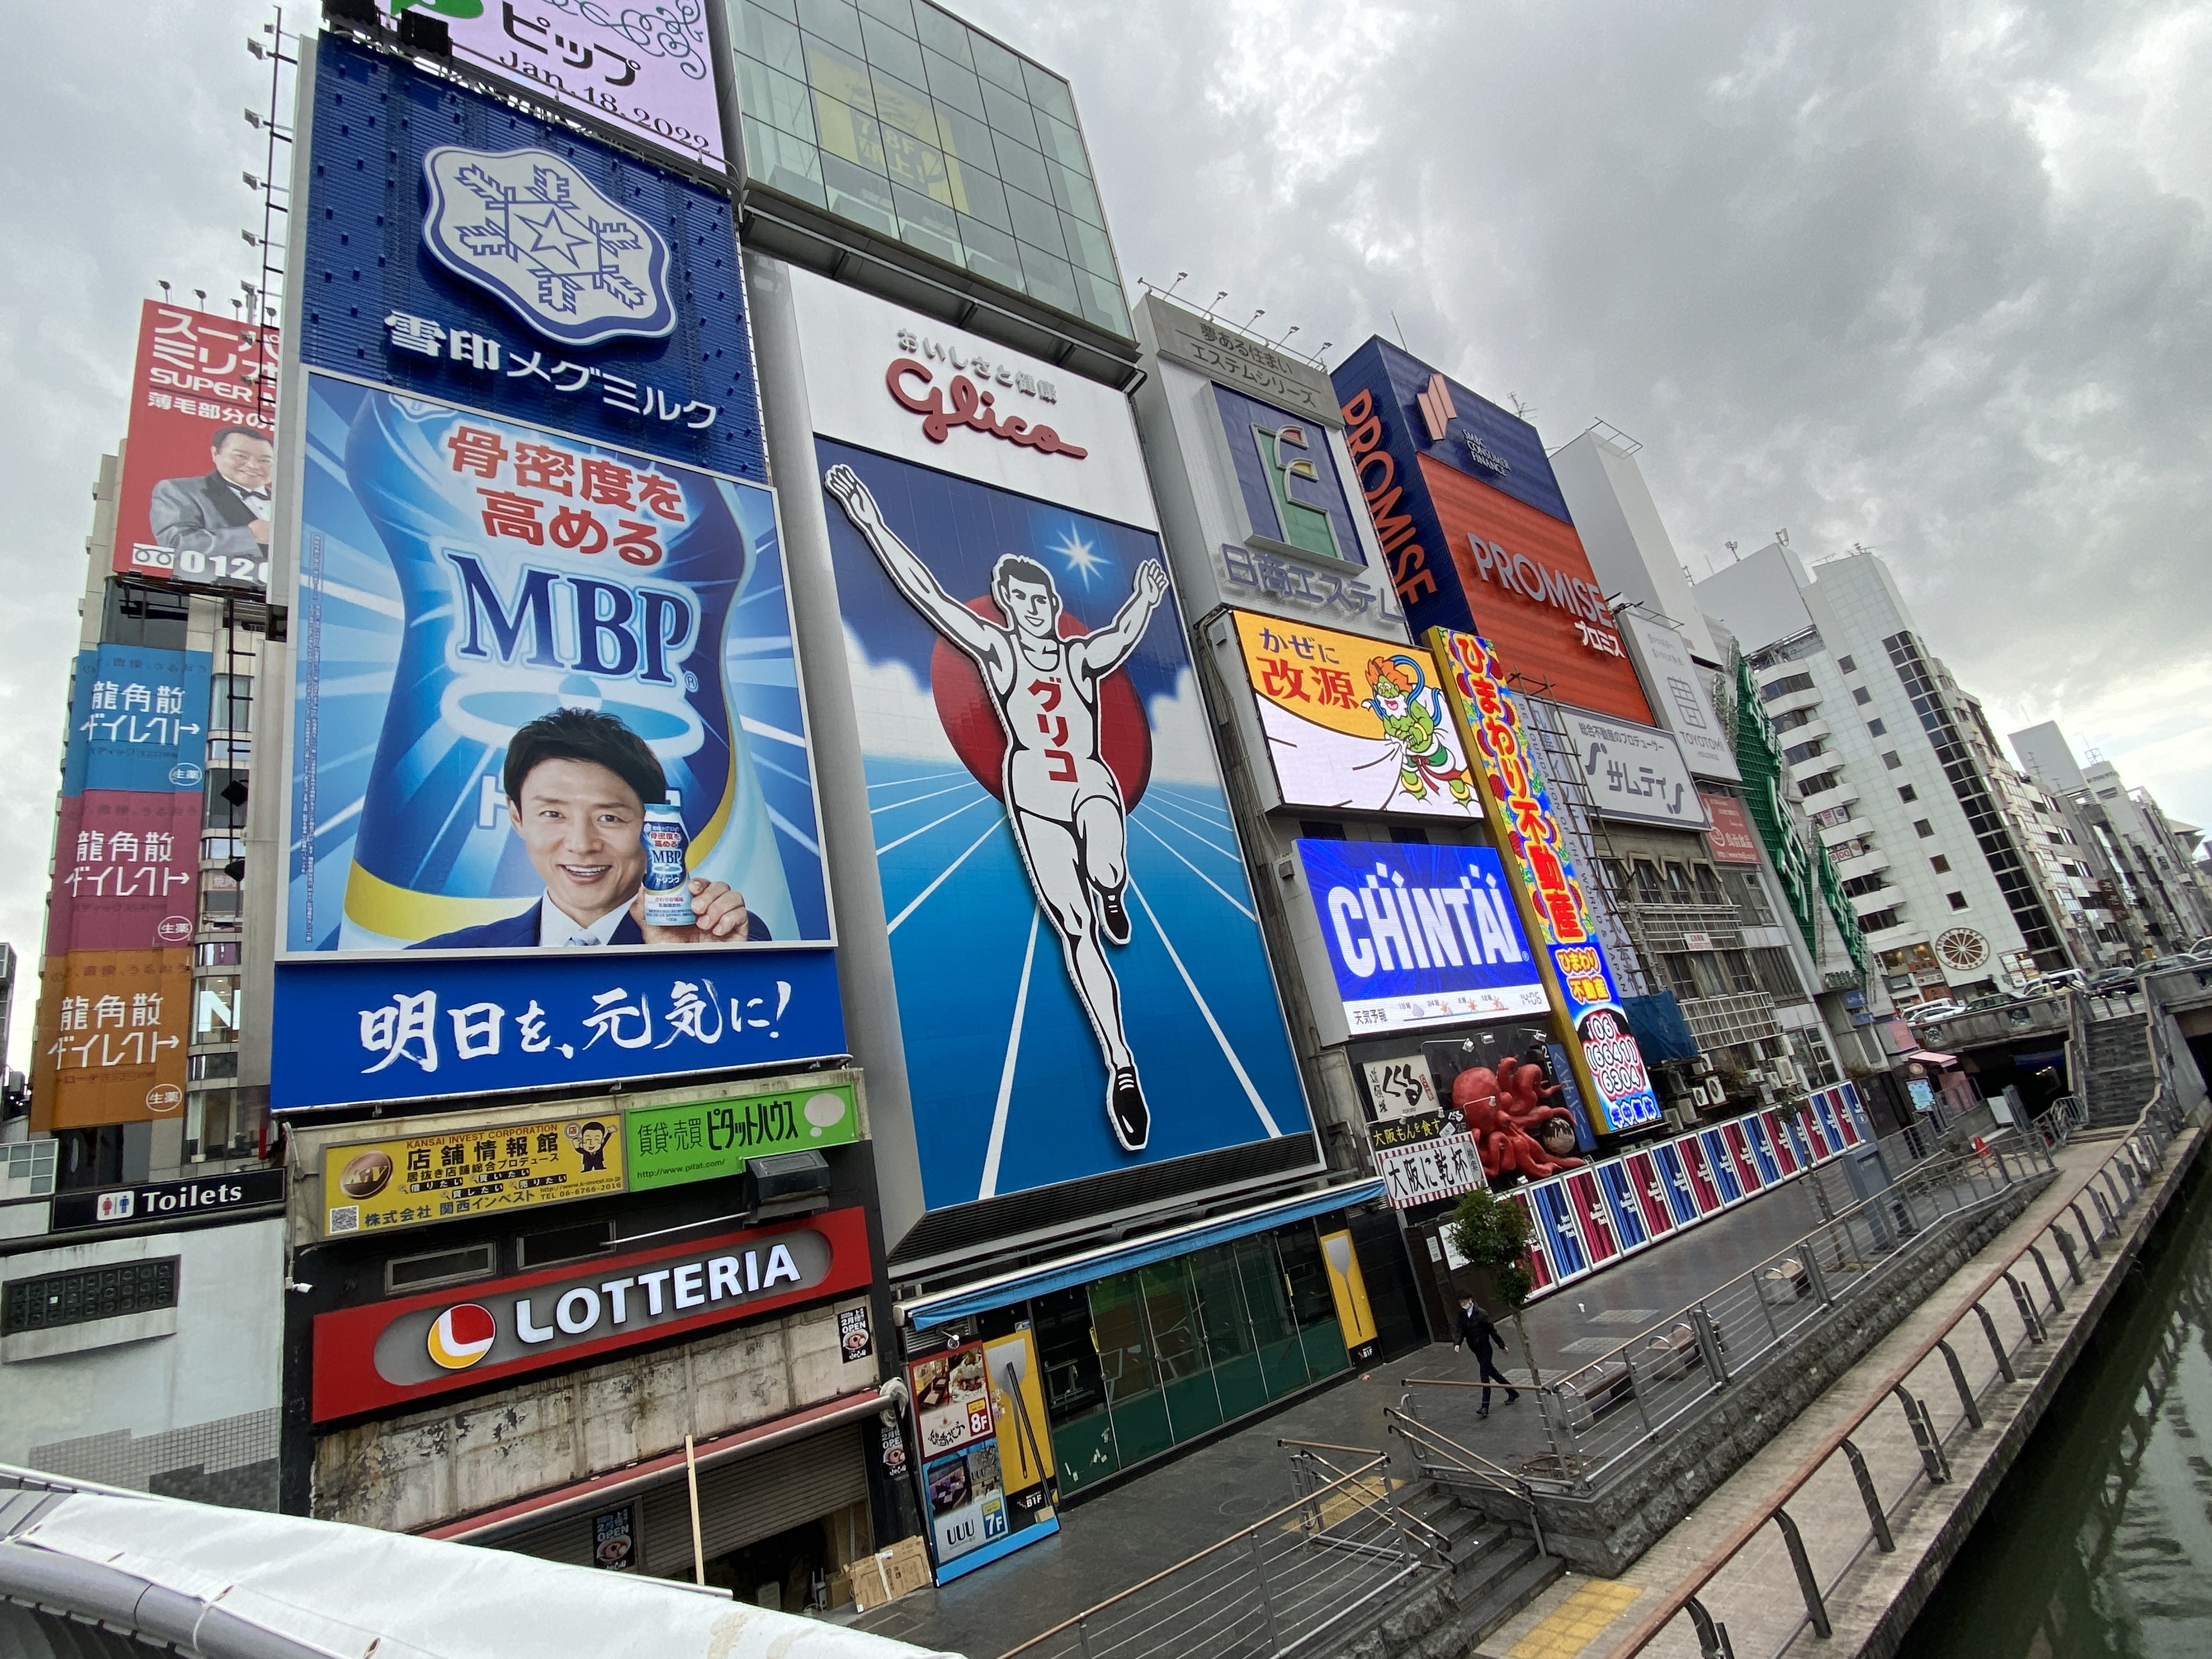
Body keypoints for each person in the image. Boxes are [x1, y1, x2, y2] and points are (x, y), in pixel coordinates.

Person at [825, 462, 1169, 1153]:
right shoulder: (999, 654)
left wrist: (1145, 596)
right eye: (1019, 598)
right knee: (1075, 929)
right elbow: (927, 594)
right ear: (1007, 604)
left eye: (1039, 597)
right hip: (1035, 794)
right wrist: (869, 521)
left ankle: (1111, 887)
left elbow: (1124, 634)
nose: (1031, 607)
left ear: (1051, 601)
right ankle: (1121, 1065)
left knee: (1105, 864)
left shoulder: (1078, 657)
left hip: (1088, 781)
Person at [412, 707, 768, 949]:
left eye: (609, 818)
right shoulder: (439, 966)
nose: (582, 845)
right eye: (552, 814)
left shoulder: (719, 938)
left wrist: (695, 966)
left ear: (652, 824)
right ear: (517, 817)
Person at [148, 425, 275, 562]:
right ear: (215, 454)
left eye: (264, 460)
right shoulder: (179, 490)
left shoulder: (288, 503)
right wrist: (250, 536)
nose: (253, 466)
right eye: (241, 456)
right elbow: (175, 544)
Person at [1454, 1294, 1521, 1417]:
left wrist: (1501, 1345)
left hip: (1485, 1349)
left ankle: (1485, 1406)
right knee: (1493, 1373)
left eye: (1464, 1302)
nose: (1463, 1304)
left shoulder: (1481, 1314)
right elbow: (1460, 1330)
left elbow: (1492, 1331)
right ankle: (1512, 1392)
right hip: (1475, 1349)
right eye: (1461, 1302)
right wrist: (1458, 1343)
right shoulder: (1462, 1315)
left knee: (1484, 1376)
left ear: (1471, 1300)